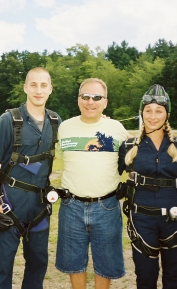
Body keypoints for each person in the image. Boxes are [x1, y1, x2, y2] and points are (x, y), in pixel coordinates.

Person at [0, 67, 61, 289]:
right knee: (2, 266)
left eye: (43, 85)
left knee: (38, 263)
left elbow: (78, 136)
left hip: (39, 207)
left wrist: (99, 119)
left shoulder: (56, 121)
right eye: (34, 85)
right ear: (25, 87)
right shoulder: (9, 120)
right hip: (9, 204)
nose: (38, 90)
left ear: (50, 89)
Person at [55, 78, 127, 289]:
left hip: (107, 205)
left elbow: (137, 154)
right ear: (78, 99)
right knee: (73, 262)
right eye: (85, 96)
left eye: (97, 97)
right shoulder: (64, 128)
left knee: (106, 262)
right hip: (71, 206)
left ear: (105, 102)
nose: (90, 102)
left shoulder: (117, 128)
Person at [121, 84, 177, 289]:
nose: (153, 116)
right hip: (141, 220)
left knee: (174, 275)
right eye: (148, 110)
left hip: (176, 219)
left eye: (159, 111)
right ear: (142, 113)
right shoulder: (128, 147)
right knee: (145, 277)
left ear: (167, 114)